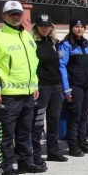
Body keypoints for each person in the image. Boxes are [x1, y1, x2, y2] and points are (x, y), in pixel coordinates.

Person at [0, 1, 43, 175]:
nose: (15, 16)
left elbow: (33, 64)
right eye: (11, 13)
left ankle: (24, 162)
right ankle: (6, 167)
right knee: (5, 135)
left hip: (28, 94)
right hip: (7, 95)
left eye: (18, 13)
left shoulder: (27, 36)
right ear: (4, 15)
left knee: (24, 132)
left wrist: (35, 85)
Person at [58, 18, 88, 157]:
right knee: (74, 115)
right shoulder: (66, 45)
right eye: (76, 26)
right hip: (74, 85)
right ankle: (73, 144)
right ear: (71, 28)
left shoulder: (87, 44)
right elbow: (62, 67)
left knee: (84, 115)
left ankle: (82, 141)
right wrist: (66, 89)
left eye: (82, 26)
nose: (79, 29)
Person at [31, 13, 67, 165]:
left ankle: (53, 151)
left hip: (55, 85)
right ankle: (36, 153)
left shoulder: (55, 43)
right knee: (38, 121)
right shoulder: (32, 43)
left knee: (53, 119)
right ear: (36, 27)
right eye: (41, 26)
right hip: (41, 86)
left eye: (47, 26)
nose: (44, 29)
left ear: (51, 27)